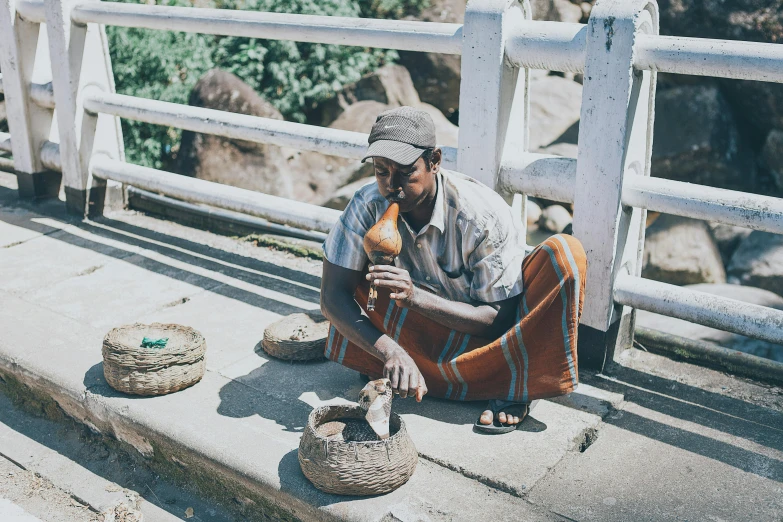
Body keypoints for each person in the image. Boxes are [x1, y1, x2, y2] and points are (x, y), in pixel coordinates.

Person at [320, 106, 587, 434]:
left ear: (434, 161)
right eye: (381, 171)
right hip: (411, 338)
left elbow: (496, 320)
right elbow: (332, 295)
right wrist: (389, 349)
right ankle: (401, 364)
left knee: (566, 255)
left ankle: (509, 381)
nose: (392, 185)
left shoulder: (481, 216)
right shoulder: (368, 204)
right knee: (354, 264)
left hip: (481, 343)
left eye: (405, 172)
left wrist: (416, 297)